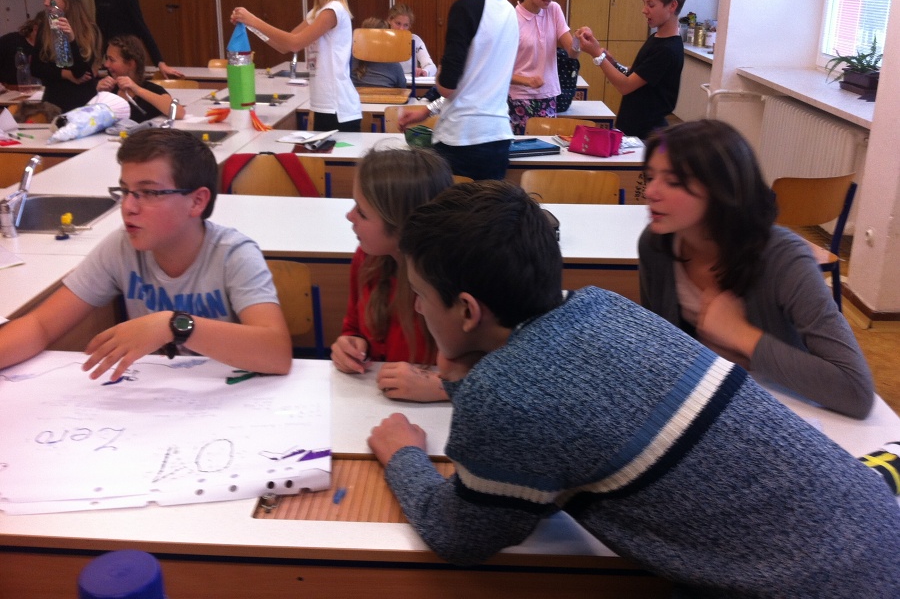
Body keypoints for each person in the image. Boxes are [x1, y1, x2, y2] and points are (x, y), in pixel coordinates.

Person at [366, 180, 900, 597]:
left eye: (420, 295)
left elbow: (461, 536)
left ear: (467, 310)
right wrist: (466, 378)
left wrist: (404, 455)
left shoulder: (506, 397)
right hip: (872, 528)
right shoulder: (602, 305)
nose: (416, 307)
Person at [0, 128, 292, 382]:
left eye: (149, 193)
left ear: (197, 201)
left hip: (226, 395)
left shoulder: (233, 254)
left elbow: (276, 353)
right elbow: (40, 325)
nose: (128, 207)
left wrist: (173, 326)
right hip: (155, 394)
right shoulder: (122, 248)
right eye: (125, 191)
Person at [637, 120, 874, 419]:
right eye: (650, 177)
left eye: (672, 181)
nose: (650, 191)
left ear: (721, 190)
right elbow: (662, 346)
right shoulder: (656, 245)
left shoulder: (784, 259)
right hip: (702, 408)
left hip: (779, 416)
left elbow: (856, 391)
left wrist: (741, 335)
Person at [332, 145, 453, 402]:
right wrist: (350, 345)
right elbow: (353, 326)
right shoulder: (367, 259)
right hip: (377, 401)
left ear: (402, 227)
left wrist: (441, 388)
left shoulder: (454, 284)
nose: (349, 216)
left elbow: (502, 377)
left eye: (362, 212)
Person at [396, 0, 517, 181]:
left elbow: (448, 86)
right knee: (487, 208)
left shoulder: (465, 9)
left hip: (461, 141)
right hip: (497, 138)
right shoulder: (508, 11)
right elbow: (472, 86)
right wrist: (428, 110)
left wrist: (441, 72)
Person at [230, 0, 362, 133]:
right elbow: (284, 45)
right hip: (323, 107)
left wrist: (254, 20)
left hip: (339, 110)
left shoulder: (333, 11)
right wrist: (250, 25)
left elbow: (294, 44)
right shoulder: (316, 13)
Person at [576, 0, 687, 140]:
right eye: (644, 4)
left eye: (651, 5)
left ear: (672, 6)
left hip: (646, 135)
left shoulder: (667, 49)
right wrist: (613, 63)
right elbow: (638, 74)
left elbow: (625, 86)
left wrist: (597, 54)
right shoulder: (658, 39)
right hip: (634, 129)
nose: (644, 10)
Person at [507, 0, 579, 135]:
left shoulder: (554, 10)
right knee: (523, 149)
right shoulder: (511, 19)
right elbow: (499, 71)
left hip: (548, 95)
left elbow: (572, 53)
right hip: (519, 98)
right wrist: (527, 81)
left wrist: (579, 40)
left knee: (546, 146)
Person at [30, 0, 101, 112]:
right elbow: (36, 68)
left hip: (83, 104)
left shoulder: (89, 30)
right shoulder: (45, 26)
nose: (46, 3)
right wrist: (65, 74)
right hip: (53, 104)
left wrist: (72, 39)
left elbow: (81, 73)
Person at [97, 35, 185, 123]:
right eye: (107, 59)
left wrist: (137, 89)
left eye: (111, 60)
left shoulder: (150, 89)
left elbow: (179, 112)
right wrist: (98, 95)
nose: (106, 64)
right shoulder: (109, 89)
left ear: (130, 64)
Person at [350, 18, 406, 89]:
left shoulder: (350, 62)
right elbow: (403, 89)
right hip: (386, 96)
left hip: (356, 96)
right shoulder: (394, 65)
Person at [387, 3, 437, 77]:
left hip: (410, 81)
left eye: (406, 25)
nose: (401, 29)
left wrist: (424, 71)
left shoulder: (415, 40)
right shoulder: (381, 40)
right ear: (389, 20)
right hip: (387, 80)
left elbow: (432, 66)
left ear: (410, 26)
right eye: (398, 23)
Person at [0, 14, 42, 86]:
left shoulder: (49, 49)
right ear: (35, 29)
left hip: (37, 89)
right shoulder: (10, 40)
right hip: (9, 88)